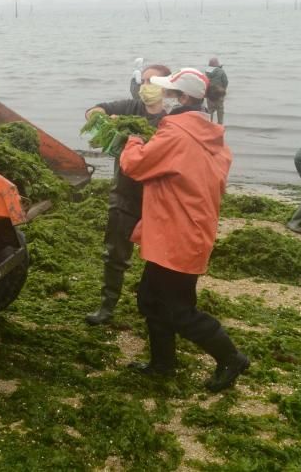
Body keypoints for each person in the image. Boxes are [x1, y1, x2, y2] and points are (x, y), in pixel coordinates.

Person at [120, 67, 248, 392]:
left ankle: (232, 358)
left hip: (176, 233)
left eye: (169, 93)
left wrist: (132, 140)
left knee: (178, 310)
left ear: (183, 98)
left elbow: (135, 165)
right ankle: (163, 364)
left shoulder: (175, 134)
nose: (163, 98)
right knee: (150, 299)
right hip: (190, 229)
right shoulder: (210, 135)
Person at [83, 63, 172, 326]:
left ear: (166, 88)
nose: (146, 87)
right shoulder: (129, 108)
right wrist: (103, 121)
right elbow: (94, 110)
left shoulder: (172, 119)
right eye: (143, 81)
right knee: (115, 253)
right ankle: (107, 307)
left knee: (158, 257)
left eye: (153, 82)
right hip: (123, 192)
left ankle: (152, 306)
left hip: (157, 197)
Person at [204, 58, 228, 124]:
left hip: (210, 93)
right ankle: (220, 124)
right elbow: (225, 82)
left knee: (210, 109)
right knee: (220, 109)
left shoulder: (207, 71)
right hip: (219, 93)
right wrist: (223, 89)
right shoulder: (221, 71)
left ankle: (209, 123)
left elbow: (205, 81)